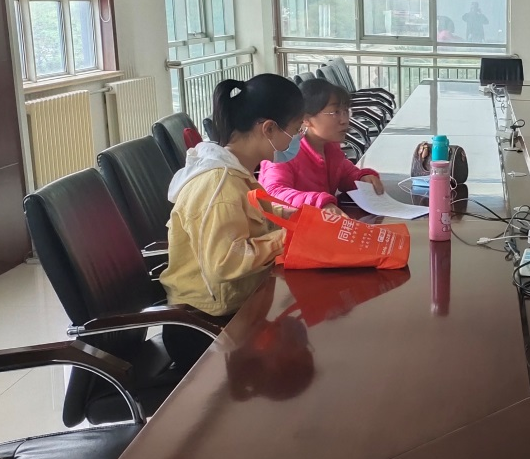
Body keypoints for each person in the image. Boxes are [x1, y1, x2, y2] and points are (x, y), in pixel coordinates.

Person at [160, 74, 305, 371]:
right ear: (268, 128)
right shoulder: (219, 184)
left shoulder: (237, 172)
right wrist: (287, 238)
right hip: (205, 327)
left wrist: (300, 218)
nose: (297, 140)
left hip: (240, 309)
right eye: (295, 131)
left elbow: (263, 214)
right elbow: (224, 262)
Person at [259, 78, 384, 209]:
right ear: (306, 119)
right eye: (335, 112)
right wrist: (319, 202)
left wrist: (362, 178)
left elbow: (344, 173)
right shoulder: (283, 152)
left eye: (346, 111)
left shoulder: (329, 147)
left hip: (322, 220)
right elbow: (274, 194)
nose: (344, 120)